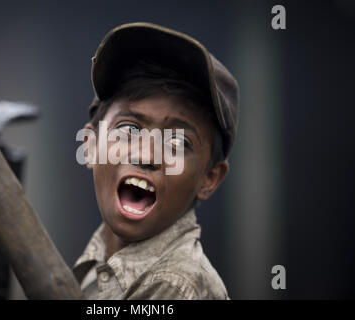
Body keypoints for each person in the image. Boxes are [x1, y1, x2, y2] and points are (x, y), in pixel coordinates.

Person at [73, 22, 239, 300]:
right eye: (129, 129)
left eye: (177, 143)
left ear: (209, 179)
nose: (147, 155)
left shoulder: (174, 286)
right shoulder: (96, 265)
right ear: (89, 147)